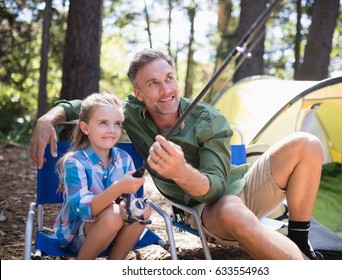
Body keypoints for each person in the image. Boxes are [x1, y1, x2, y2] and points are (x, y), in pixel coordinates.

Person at [30, 48, 323, 260]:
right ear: (139, 93)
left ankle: (299, 241)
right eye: (153, 84)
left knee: (306, 143)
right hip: (206, 209)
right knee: (232, 207)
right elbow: (83, 107)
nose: (166, 89)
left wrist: (181, 171)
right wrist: (47, 119)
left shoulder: (208, 120)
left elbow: (218, 185)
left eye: (169, 78)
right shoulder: (129, 114)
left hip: (233, 188)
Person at [52, 92, 150, 260]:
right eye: (103, 123)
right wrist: (118, 187)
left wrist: (132, 205)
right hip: (76, 235)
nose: (112, 130)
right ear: (85, 128)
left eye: (117, 124)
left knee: (142, 211)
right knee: (113, 213)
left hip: (116, 230)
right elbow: (82, 210)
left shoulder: (124, 159)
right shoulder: (74, 162)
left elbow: (127, 204)